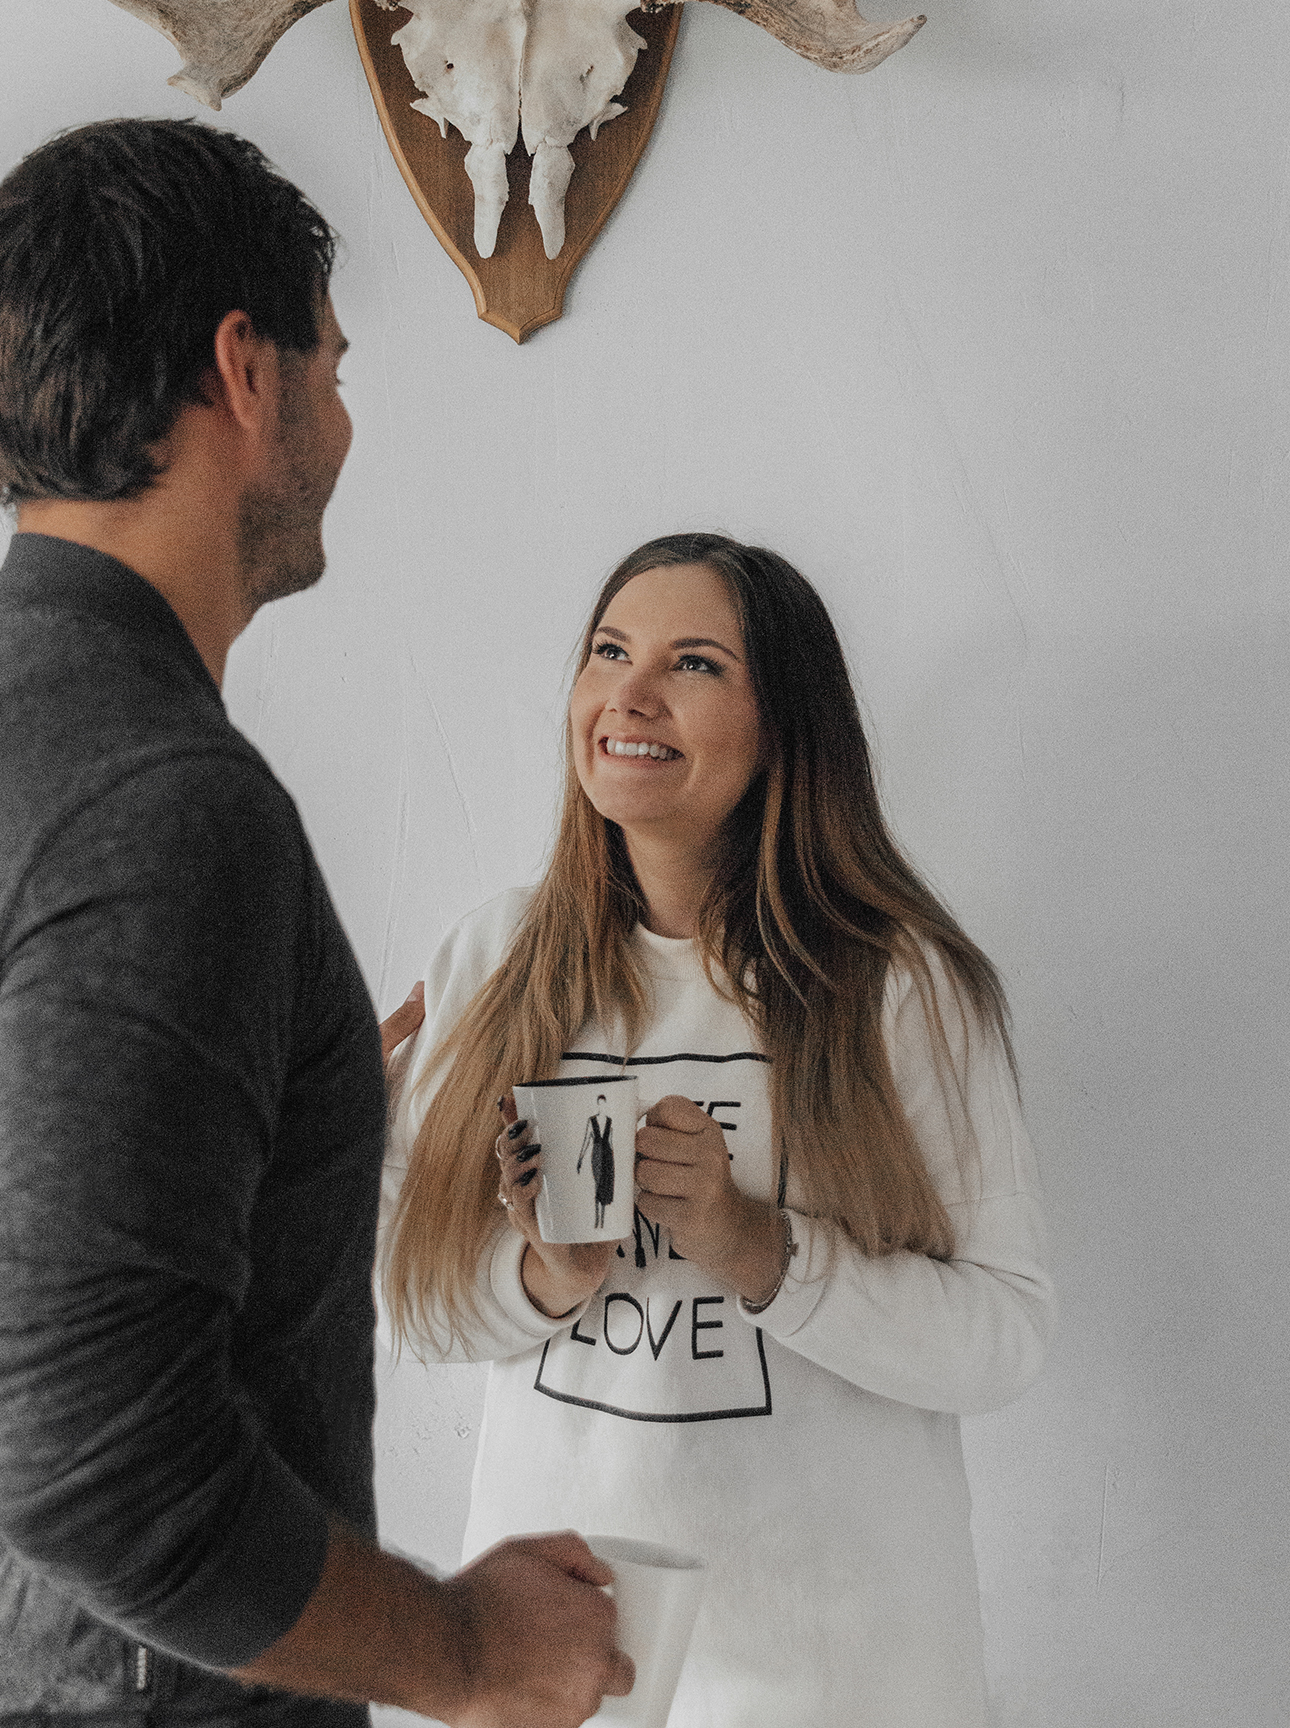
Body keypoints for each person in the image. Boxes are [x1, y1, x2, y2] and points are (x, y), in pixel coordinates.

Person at [0, 118, 631, 1728]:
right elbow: (93, 1462)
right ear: (247, 374)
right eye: (333, 365)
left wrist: (293, 1120)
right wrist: (465, 1647)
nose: (346, 420)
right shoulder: (165, 802)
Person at [381, 533, 1058, 1726]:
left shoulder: (899, 986)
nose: (630, 695)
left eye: (693, 663)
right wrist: (546, 1274)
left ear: (784, 725)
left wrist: (763, 1253)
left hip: (841, 1677)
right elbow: (411, 1306)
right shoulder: (494, 960)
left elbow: (1001, 1336)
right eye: (608, 652)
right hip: (556, 1660)